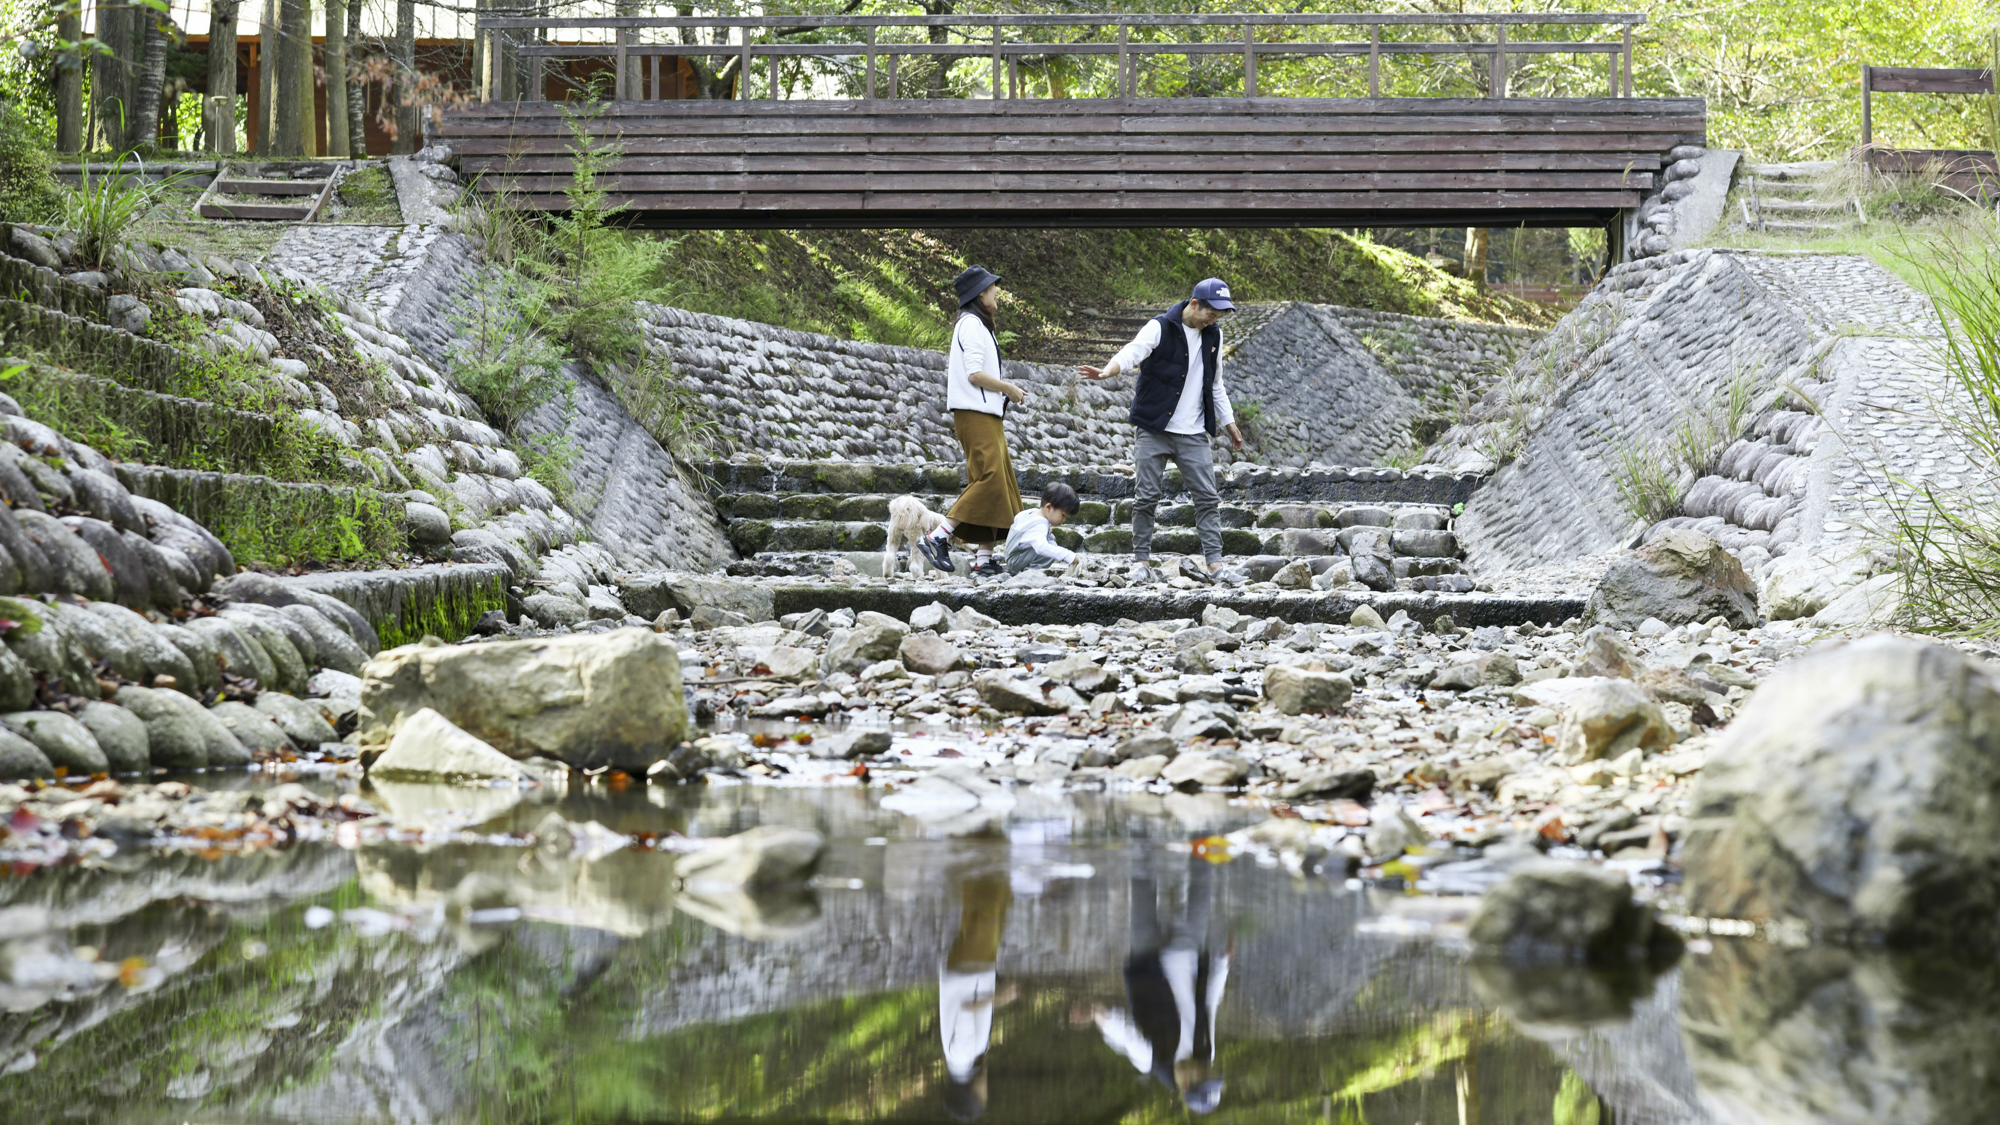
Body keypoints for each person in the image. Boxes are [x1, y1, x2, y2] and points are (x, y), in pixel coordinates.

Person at [1078, 278, 1247, 584]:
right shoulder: (1160, 327)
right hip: (1154, 427)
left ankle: (1216, 565)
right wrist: (1108, 370)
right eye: (1211, 312)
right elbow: (1133, 352)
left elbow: (1216, 384)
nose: (1215, 318)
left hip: (1194, 432)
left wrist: (1230, 425)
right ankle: (1141, 562)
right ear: (1195, 304)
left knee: (1207, 498)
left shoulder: (1214, 336)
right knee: (1146, 497)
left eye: (1220, 314)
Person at [1090, 855, 1230, 1115]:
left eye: (1205, 1075)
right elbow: (1209, 1005)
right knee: (1201, 890)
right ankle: (1203, 834)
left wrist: (1104, 1018)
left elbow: (1127, 1037)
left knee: (1142, 886)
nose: (1210, 1069)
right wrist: (1223, 966)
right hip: (1186, 955)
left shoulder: (1153, 1061)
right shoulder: (1205, 1051)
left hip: (1147, 962)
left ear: (1187, 1083)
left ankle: (1140, 832)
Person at [918, 265, 1027, 580]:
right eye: (993, 288)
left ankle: (983, 559)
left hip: (985, 414)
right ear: (980, 292)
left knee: (999, 483)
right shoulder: (971, 325)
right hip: (975, 414)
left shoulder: (980, 325)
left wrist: (1006, 393)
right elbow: (974, 374)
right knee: (991, 479)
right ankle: (938, 536)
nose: (997, 293)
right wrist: (1008, 388)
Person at [1002, 483, 1081, 575]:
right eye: (1063, 515)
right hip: (1015, 560)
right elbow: (1041, 548)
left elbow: (1017, 520)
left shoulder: (1030, 512)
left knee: (1050, 537)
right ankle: (1029, 574)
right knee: (1050, 546)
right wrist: (1068, 555)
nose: (1064, 520)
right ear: (1048, 507)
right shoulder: (1040, 526)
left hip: (1012, 554)